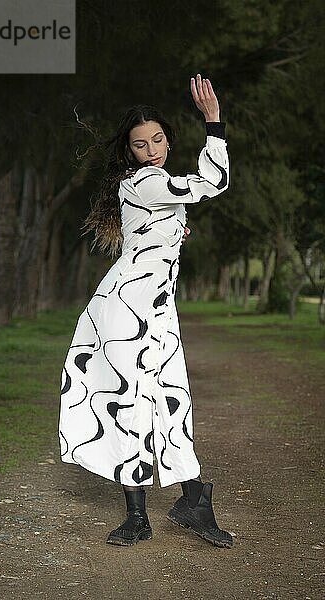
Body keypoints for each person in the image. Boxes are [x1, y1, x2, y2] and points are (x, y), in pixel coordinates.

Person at [58, 74, 233, 548]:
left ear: (167, 141)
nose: (152, 149)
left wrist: (177, 233)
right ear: (129, 152)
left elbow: (161, 229)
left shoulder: (156, 189)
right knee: (130, 403)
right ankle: (143, 514)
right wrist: (213, 121)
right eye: (140, 144)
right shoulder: (145, 182)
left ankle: (190, 497)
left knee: (166, 398)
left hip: (155, 309)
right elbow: (212, 182)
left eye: (157, 140)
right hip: (126, 311)